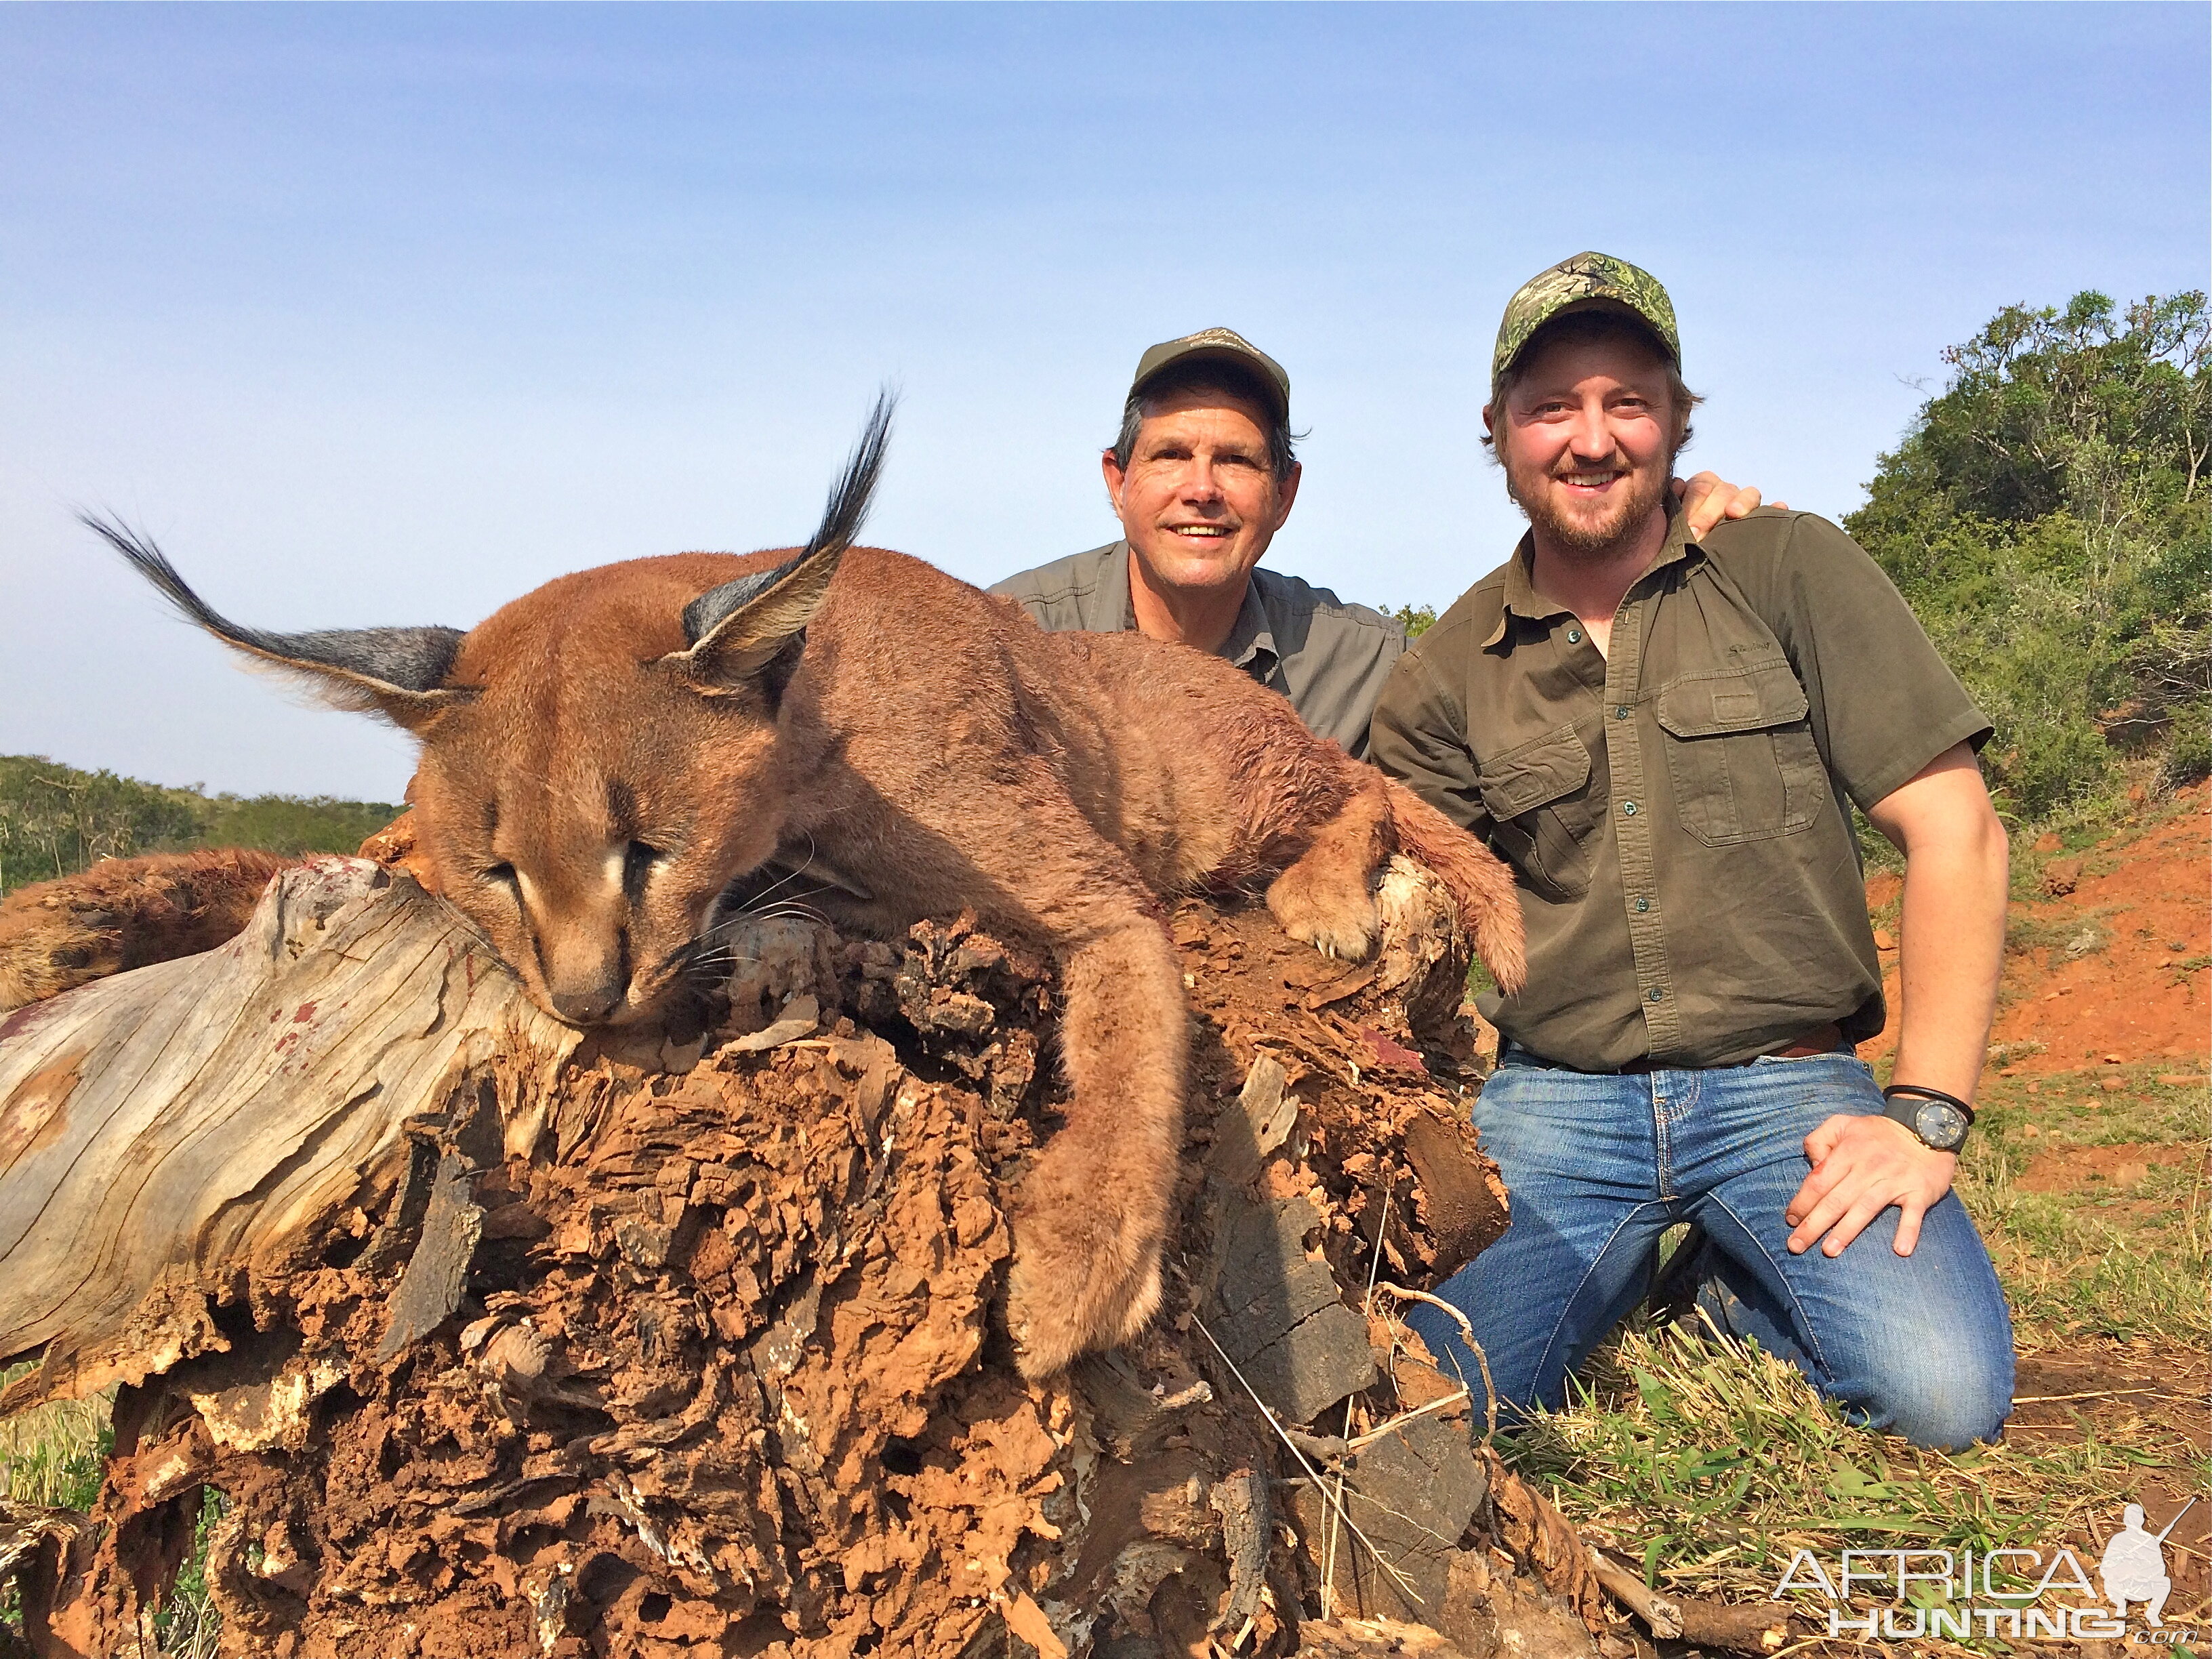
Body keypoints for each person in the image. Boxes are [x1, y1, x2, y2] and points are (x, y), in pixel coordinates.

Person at [1367, 251, 2015, 1450]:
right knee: (1431, 1407)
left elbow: (1955, 829)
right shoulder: (1446, 668)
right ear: (1498, 433)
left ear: (1673, 419)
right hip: (1556, 1102)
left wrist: (1920, 1113)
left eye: (1625, 401)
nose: (1589, 437)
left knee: (1939, 1398)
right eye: (1550, 406)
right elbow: (1397, 925)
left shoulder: (1785, 567)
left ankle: (1719, 1295)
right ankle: (1631, 1274)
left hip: (1786, 1086)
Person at [991, 327, 1770, 758]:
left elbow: (1540, 724)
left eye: (1236, 460)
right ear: (1116, 479)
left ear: (1285, 493)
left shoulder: (1368, 662)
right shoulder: (1006, 636)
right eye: (1170, 456)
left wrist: (1656, 517)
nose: (1203, 489)